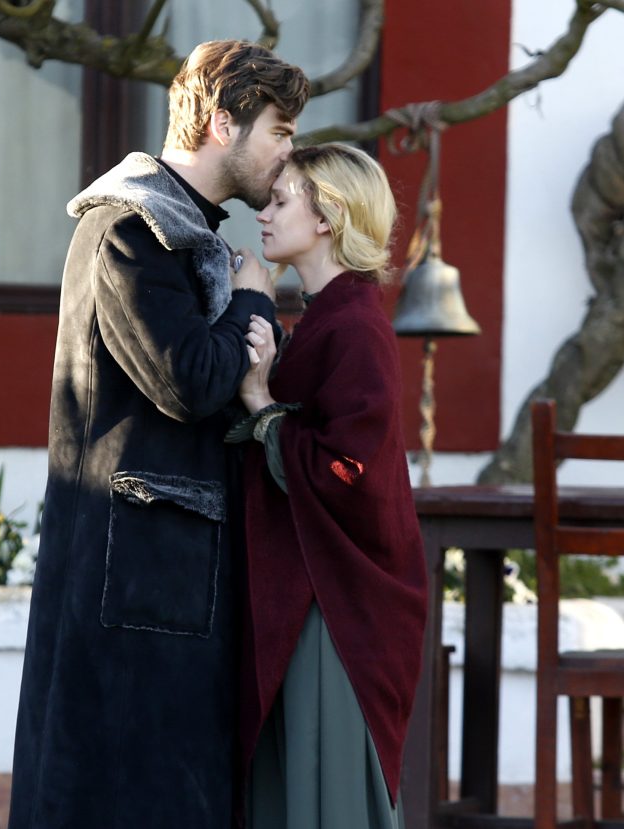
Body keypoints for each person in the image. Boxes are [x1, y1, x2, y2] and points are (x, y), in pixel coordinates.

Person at [7, 40, 309, 829]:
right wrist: (252, 303)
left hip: (159, 583)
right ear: (222, 123)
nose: (288, 150)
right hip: (131, 592)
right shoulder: (129, 228)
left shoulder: (184, 233)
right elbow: (187, 381)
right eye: (279, 130)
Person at [227, 144, 428, 828]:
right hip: (314, 594)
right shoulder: (329, 318)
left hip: (337, 611)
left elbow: (350, 472)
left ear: (327, 217)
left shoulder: (356, 327)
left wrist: (262, 404)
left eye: (281, 201)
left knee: (327, 802)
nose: (263, 213)